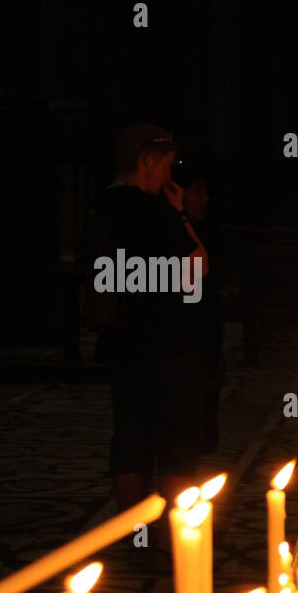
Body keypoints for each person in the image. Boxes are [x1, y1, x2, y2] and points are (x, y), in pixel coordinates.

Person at [90, 122, 209, 513]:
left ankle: (134, 533)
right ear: (147, 161)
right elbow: (197, 267)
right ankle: (171, 540)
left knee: (130, 436)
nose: (170, 175)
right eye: (166, 165)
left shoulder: (102, 205)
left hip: (122, 338)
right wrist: (181, 216)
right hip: (166, 339)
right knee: (175, 440)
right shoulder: (151, 209)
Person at [175, 159, 224, 455]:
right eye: (197, 191)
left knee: (203, 436)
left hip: (205, 342)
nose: (205, 198)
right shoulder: (168, 234)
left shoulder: (209, 232)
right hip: (179, 346)